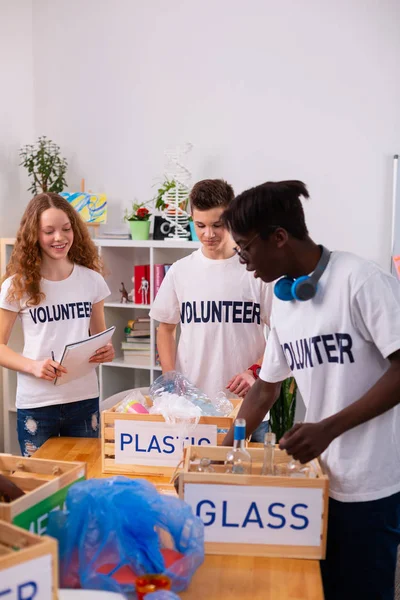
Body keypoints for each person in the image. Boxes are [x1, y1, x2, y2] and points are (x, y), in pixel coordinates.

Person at [222, 179, 400, 600]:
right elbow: (265, 389)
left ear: (279, 238)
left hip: (370, 485)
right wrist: (216, 455)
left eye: (245, 247)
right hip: (316, 481)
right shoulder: (285, 302)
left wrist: (327, 428)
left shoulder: (361, 280)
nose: (243, 261)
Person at [150, 179, 273, 441]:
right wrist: (171, 379)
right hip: (193, 409)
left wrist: (256, 371)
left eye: (218, 225)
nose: (208, 234)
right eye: (200, 226)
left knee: (247, 481)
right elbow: (165, 329)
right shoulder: (181, 271)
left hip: (248, 408)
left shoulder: (257, 270)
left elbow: (281, 332)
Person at [0, 193, 115, 456]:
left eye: (66, 229)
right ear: (33, 235)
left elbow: (100, 339)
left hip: (84, 400)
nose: (59, 238)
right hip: (37, 404)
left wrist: (106, 351)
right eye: (48, 231)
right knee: (43, 487)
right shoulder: (17, 285)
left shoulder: (92, 280)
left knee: (84, 481)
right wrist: (34, 366)